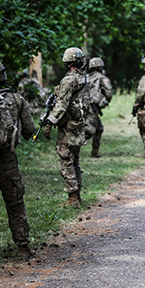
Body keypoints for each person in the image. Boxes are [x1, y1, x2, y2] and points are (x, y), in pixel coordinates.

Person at [0, 60, 37, 257]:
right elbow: (30, 131)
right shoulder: (16, 99)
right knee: (15, 202)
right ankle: (23, 246)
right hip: (7, 159)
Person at [44, 47, 91, 208]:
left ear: (66, 62)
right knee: (75, 160)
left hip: (67, 126)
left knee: (65, 160)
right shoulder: (85, 79)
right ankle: (77, 196)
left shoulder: (69, 80)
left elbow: (61, 106)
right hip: (78, 124)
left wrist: (49, 123)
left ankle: (72, 198)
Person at [85, 57, 113, 158]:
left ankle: (95, 152)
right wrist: (105, 101)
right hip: (92, 107)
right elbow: (109, 92)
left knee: (99, 129)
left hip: (84, 106)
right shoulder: (102, 78)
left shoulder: (86, 77)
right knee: (89, 131)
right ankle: (70, 149)